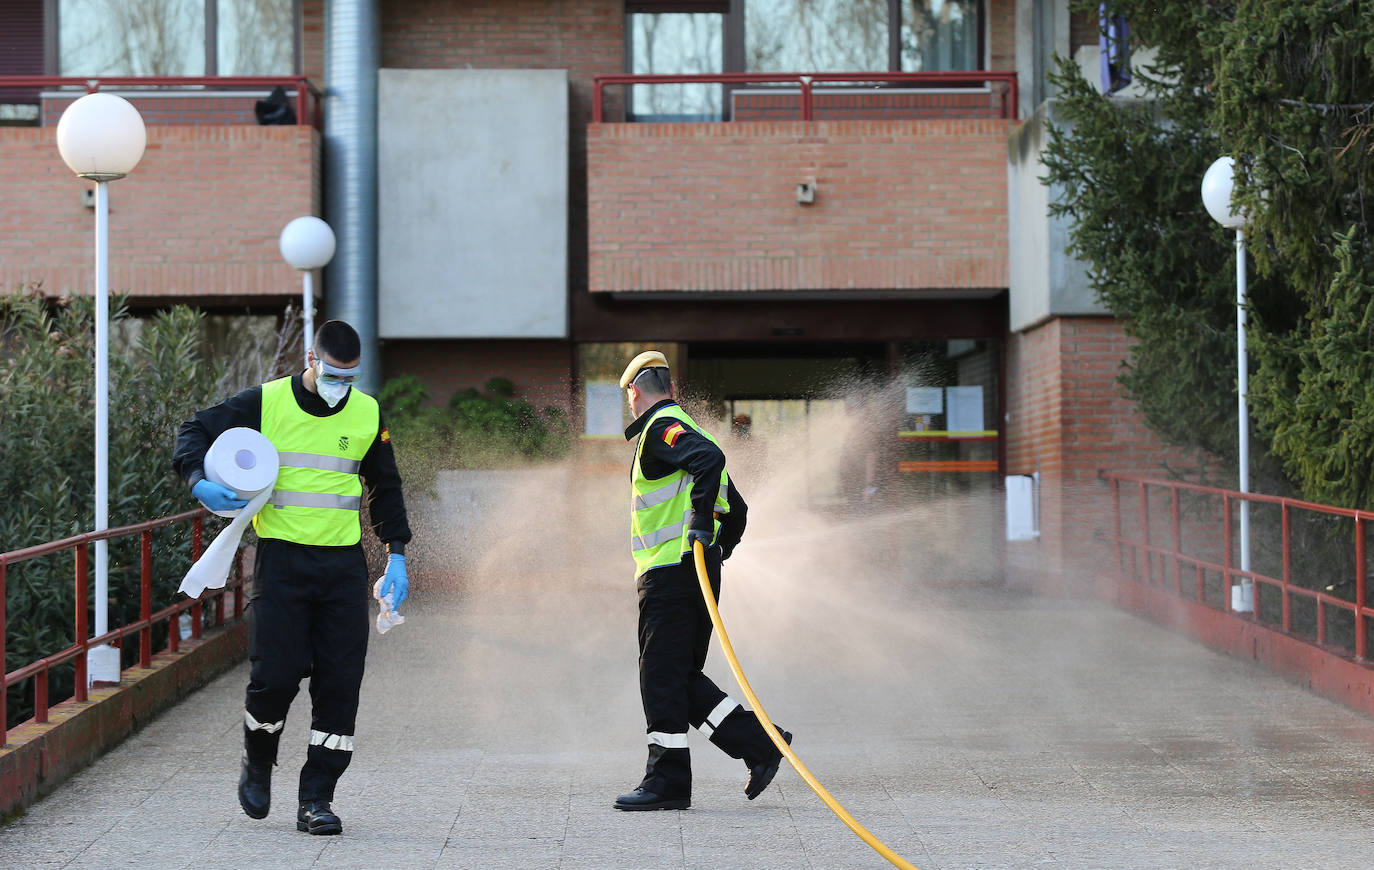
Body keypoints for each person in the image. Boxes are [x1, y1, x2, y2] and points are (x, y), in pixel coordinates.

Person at [172, 320, 411, 835]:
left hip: (343, 568)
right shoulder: (267, 402)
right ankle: (258, 761)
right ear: (310, 359)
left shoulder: (367, 412)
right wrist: (198, 484)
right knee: (275, 677)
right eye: (332, 373)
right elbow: (193, 429)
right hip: (281, 562)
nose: (340, 385)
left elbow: (384, 488)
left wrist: (396, 554)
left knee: (340, 684)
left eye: (350, 376)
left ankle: (316, 800)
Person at [614, 350, 791, 811]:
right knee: (678, 676)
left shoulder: (660, 429)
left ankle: (667, 783)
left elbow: (709, 459)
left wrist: (695, 531)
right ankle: (760, 744)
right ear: (668, 385)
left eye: (629, 395)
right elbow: (739, 511)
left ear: (635, 390)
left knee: (659, 676)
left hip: (669, 573)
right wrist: (714, 551)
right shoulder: (690, 426)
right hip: (695, 573)